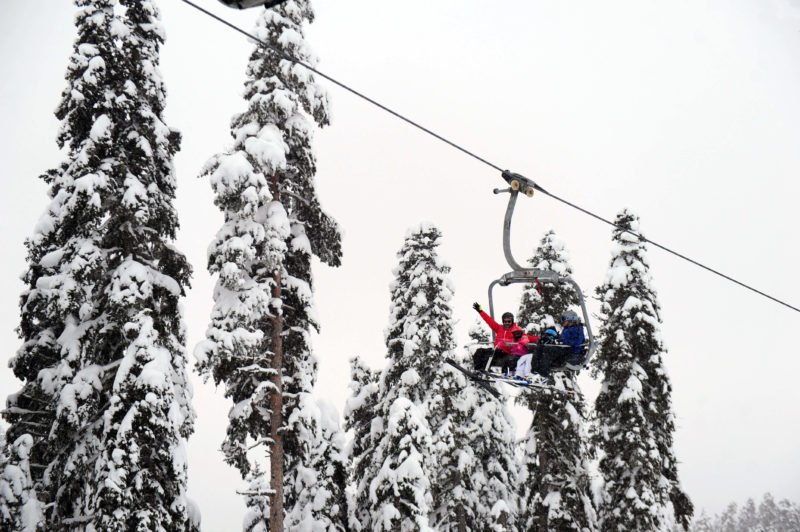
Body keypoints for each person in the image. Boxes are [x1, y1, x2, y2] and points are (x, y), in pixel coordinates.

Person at [471, 302, 531, 373]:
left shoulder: (516, 330)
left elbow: (525, 338)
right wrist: (480, 311)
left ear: (512, 322)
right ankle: (478, 371)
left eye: (509, 321)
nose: (507, 323)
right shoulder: (499, 328)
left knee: (494, 358)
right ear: (503, 322)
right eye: (505, 321)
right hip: (497, 351)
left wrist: (511, 342)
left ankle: (489, 371)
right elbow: (489, 321)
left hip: (507, 353)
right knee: (480, 352)